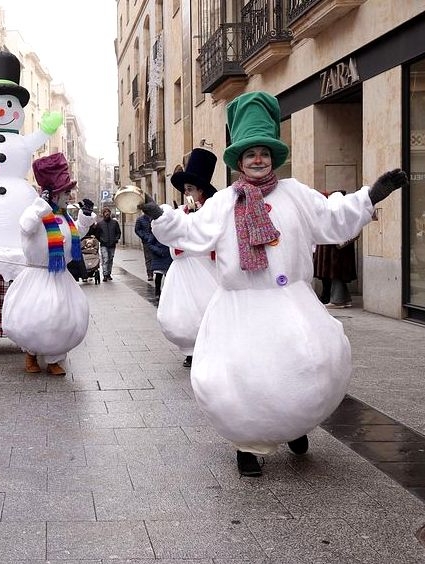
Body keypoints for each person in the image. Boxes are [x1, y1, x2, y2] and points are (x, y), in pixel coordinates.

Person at [143, 91, 408, 478]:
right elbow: (190, 230)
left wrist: (370, 195)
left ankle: (296, 426)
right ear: (239, 160)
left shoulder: (295, 192)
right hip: (241, 305)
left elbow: (332, 216)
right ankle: (247, 445)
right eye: (250, 154)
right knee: (242, 378)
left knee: (307, 365)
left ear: (272, 158)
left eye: (264, 153)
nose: (257, 160)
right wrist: (160, 216)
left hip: (290, 301)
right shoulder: (224, 203)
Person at [2, 153, 97, 375]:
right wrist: (40, 205)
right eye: (65, 192)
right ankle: (31, 354)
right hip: (38, 276)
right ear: (53, 194)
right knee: (37, 317)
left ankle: (55, 358)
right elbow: (26, 226)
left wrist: (84, 217)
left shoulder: (64, 217)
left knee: (62, 318)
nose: (69, 195)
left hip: (61, 275)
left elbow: (76, 236)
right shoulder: (36, 212)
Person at [154, 148, 220, 368]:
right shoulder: (181, 212)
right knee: (181, 313)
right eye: (185, 189)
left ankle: (210, 346)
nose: (187, 194)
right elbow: (169, 233)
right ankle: (190, 349)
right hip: (182, 271)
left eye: (190, 189)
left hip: (205, 268)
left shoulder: (212, 211)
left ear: (201, 190)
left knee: (206, 307)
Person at [313, 190, 358, 309]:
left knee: (336, 273)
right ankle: (343, 299)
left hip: (335, 248)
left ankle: (338, 300)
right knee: (337, 274)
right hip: (338, 247)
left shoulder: (336, 211)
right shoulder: (345, 210)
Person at [95, 206, 121, 281]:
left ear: (110, 213)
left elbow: (118, 232)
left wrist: (116, 239)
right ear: (103, 214)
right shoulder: (100, 224)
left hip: (112, 244)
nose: (107, 213)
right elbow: (97, 234)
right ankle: (105, 274)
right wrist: (101, 240)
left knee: (110, 259)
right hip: (104, 244)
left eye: (108, 212)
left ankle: (109, 273)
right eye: (105, 212)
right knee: (105, 259)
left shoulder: (114, 223)